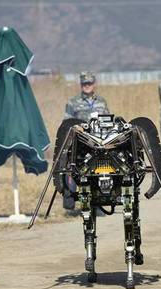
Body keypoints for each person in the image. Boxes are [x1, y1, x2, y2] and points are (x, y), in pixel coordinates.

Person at [63, 71, 110, 214]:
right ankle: (70, 200)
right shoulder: (72, 102)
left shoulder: (102, 101)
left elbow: (108, 121)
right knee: (72, 168)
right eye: (84, 83)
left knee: (100, 171)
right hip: (81, 143)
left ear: (94, 84)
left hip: (99, 143)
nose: (87, 86)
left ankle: (97, 204)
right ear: (81, 85)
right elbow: (67, 123)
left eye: (89, 83)